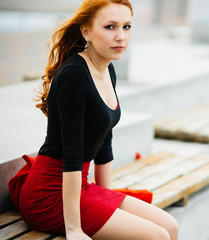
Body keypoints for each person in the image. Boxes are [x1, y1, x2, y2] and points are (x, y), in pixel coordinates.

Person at [18, 0, 178, 239]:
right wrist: (74, 229)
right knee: (158, 236)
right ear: (86, 31)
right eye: (110, 27)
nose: (121, 37)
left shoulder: (106, 69)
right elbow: (72, 154)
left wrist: (106, 197)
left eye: (127, 27)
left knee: (171, 227)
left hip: (81, 187)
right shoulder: (75, 75)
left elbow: (105, 139)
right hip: (50, 194)